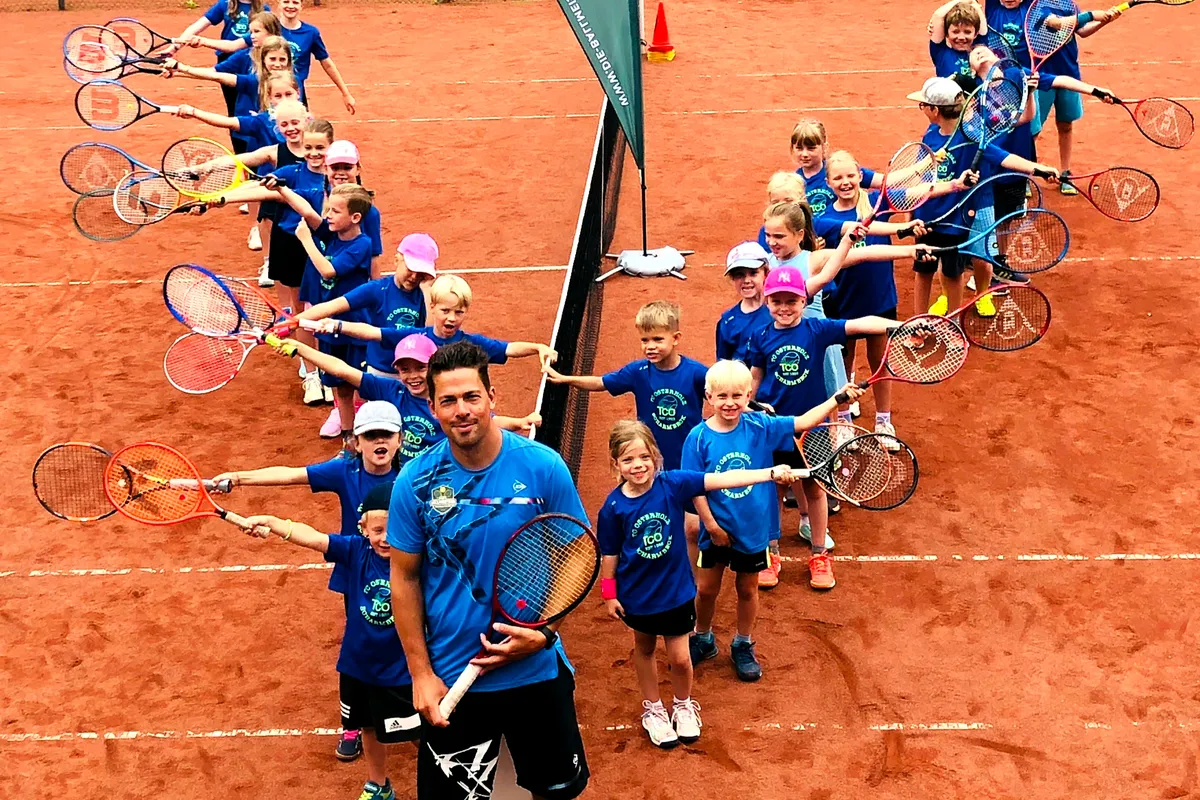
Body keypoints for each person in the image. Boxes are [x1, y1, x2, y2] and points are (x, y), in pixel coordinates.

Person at [388, 341, 589, 799]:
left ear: (492, 397)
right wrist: (420, 673)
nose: (462, 410)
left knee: (555, 792)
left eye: (471, 397)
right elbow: (405, 578)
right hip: (452, 675)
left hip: (535, 671)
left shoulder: (542, 467)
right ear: (433, 406)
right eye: (449, 400)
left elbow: (576, 553)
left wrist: (546, 632)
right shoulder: (414, 482)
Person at [210, 401, 402, 762]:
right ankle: (354, 721)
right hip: (357, 567)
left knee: (408, 637)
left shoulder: (412, 477)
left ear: (398, 440)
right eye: (370, 435)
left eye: (386, 434)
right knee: (363, 637)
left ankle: (407, 707)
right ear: (356, 441)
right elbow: (290, 475)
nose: (378, 442)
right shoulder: (345, 472)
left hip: (404, 570)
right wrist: (238, 477)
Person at [599, 419, 804, 748]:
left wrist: (768, 473)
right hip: (638, 595)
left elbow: (723, 479)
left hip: (677, 593)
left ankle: (683, 704)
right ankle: (653, 708)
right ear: (616, 464)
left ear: (655, 456)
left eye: (643, 458)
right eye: (628, 460)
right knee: (646, 649)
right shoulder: (612, 507)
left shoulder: (673, 485)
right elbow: (609, 553)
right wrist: (609, 593)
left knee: (680, 658)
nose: (637, 466)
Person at [747, 259, 925, 591]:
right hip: (773, 427)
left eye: (791, 300)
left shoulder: (816, 329)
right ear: (767, 301)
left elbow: (860, 324)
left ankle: (818, 555)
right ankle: (771, 553)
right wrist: (747, 406)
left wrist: (896, 327)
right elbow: (755, 378)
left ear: (804, 300)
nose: (784, 307)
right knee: (773, 489)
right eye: (777, 300)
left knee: (815, 489)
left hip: (814, 427)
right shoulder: (759, 337)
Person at [682, 361, 866, 680]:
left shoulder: (761, 427)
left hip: (752, 531)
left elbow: (805, 421)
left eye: (738, 395)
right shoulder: (697, 439)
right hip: (714, 530)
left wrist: (837, 399)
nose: (730, 403)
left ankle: (742, 643)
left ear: (749, 394)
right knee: (707, 589)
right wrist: (711, 526)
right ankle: (703, 636)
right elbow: (695, 486)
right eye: (722, 396)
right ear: (708, 396)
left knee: (748, 589)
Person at [242, 482, 416, 800]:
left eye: (395, 528)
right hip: (357, 665)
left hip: (401, 669)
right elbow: (312, 538)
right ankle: (379, 785)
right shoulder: (354, 550)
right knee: (368, 727)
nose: (386, 538)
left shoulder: (416, 559)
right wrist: (272, 522)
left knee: (419, 731)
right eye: (378, 530)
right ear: (363, 528)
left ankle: (444, 772)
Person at [544, 300, 708, 567]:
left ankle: (687, 578)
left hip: (688, 461)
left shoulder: (696, 374)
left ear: (676, 338)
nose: (650, 346)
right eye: (645, 339)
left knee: (690, 528)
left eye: (657, 338)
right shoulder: (638, 372)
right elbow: (601, 382)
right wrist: (565, 380)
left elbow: (725, 394)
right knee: (653, 517)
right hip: (648, 463)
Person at [274, 333, 543, 464]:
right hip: (405, 476)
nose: (412, 376)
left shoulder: (448, 399)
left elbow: (488, 421)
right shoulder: (392, 391)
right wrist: (299, 348)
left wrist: (520, 421)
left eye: (420, 368)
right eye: (404, 369)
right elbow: (342, 370)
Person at [280, 182, 375, 450]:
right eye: (328, 209)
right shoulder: (332, 231)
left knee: (364, 384)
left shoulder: (362, 244)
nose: (328, 215)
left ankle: (372, 434)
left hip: (354, 328)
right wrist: (282, 190)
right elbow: (308, 212)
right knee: (338, 385)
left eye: (335, 210)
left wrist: (306, 240)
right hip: (328, 328)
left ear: (355, 218)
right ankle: (349, 437)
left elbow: (328, 271)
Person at [312, 274, 558, 369]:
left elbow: (508, 348)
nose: (451, 318)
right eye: (445, 310)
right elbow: (373, 332)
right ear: (432, 307)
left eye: (459, 313)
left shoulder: (470, 343)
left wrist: (537, 347)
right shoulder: (416, 337)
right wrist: (337, 325)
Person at [301, 232, 438, 376]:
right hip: (380, 371)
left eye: (421, 273)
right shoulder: (377, 289)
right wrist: (295, 321)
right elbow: (333, 306)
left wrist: (427, 290)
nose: (415, 277)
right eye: (410, 269)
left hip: (414, 373)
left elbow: (429, 333)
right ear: (397, 260)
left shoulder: (426, 295)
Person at [187, 0, 356, 111]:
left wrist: (345, 92)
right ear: (279, 4)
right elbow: (233, 45)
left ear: (301, 5)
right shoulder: (267, 27)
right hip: (265, 93)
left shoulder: (311, 32)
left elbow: (326, 63)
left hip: (294, 92)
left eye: (295, 2)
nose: (291, 6)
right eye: (286, 1)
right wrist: (201, 41)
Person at [168, 0, 268, 117]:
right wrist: (174, 47)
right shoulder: (225, 4)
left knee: (253, 104)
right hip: (228, 61)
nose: (253, 34)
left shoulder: (264, 9)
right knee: (233, 107)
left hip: (251, 61)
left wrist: (202, 42)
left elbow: (234, 46)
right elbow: (198, 26)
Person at [786, 119, 877, 219]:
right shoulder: (793, 183)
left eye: (811, 148)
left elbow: (886, 181)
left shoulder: (839, 170)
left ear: (824, 147)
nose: (805, 154)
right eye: (799, 148)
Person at [716, 241, 772, 365]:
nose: (747, 280)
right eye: (739, 275)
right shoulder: (728, 321)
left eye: (753, 273)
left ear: (766, 273)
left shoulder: (780, 311)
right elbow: (723, 366)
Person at [928, 0, 988, 81]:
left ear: (976, 34)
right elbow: (938, 16)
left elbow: (977, 8)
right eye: (955, 32)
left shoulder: (980, 48)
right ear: (946, 33)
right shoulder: (941, 53)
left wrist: (972, 3)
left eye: (967, 32)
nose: (961, 37)